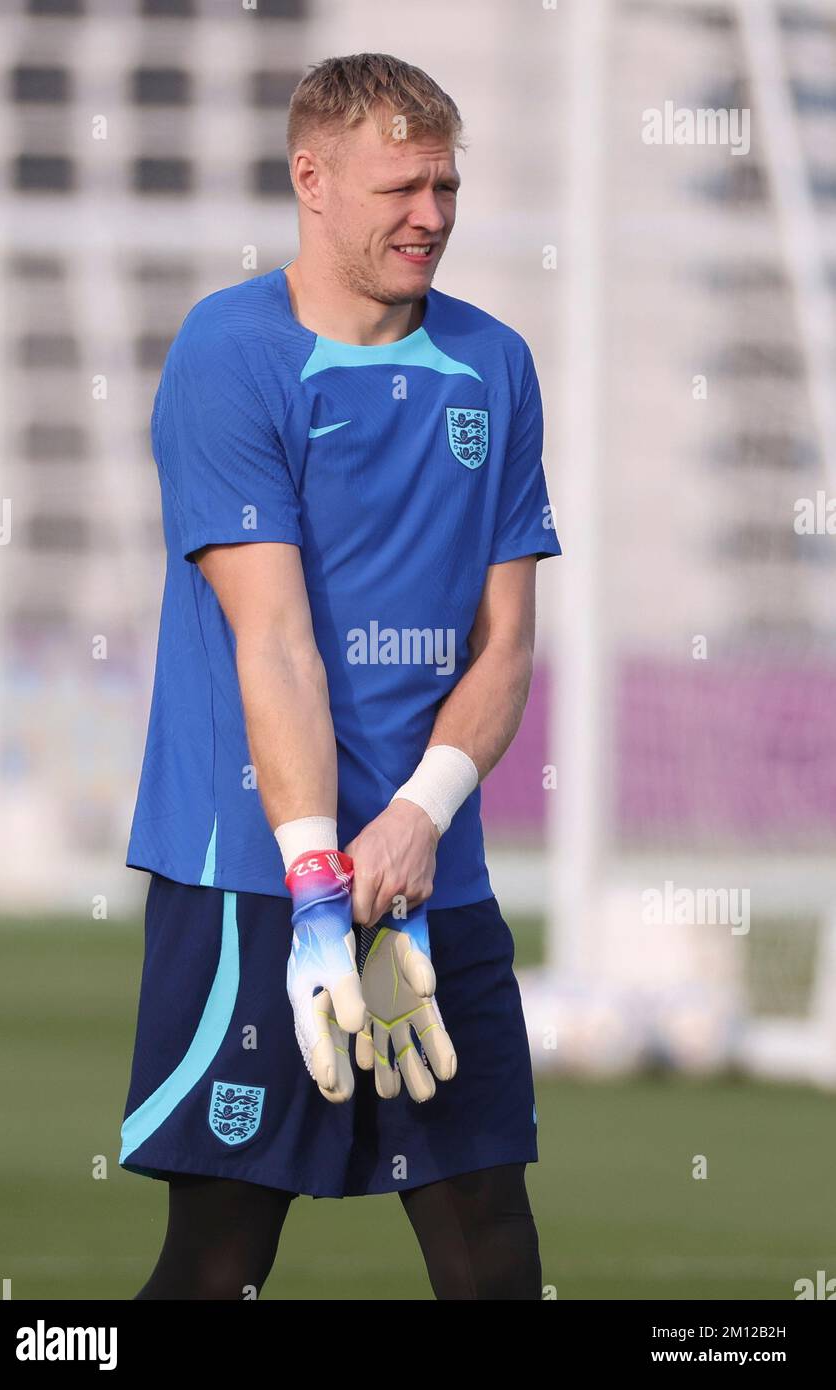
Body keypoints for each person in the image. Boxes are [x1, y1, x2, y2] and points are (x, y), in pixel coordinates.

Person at [119, 51, 561, 1301]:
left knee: (494, 1253)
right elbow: (276, 639)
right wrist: (321, 881)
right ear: (311, 179)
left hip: (434, 873)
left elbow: (507, 643)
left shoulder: (499, 365)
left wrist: (418, 819)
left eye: (446, 185)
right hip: (257, 884)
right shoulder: (230, 351)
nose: (431, 214)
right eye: (400, 187)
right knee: (218, 1263)